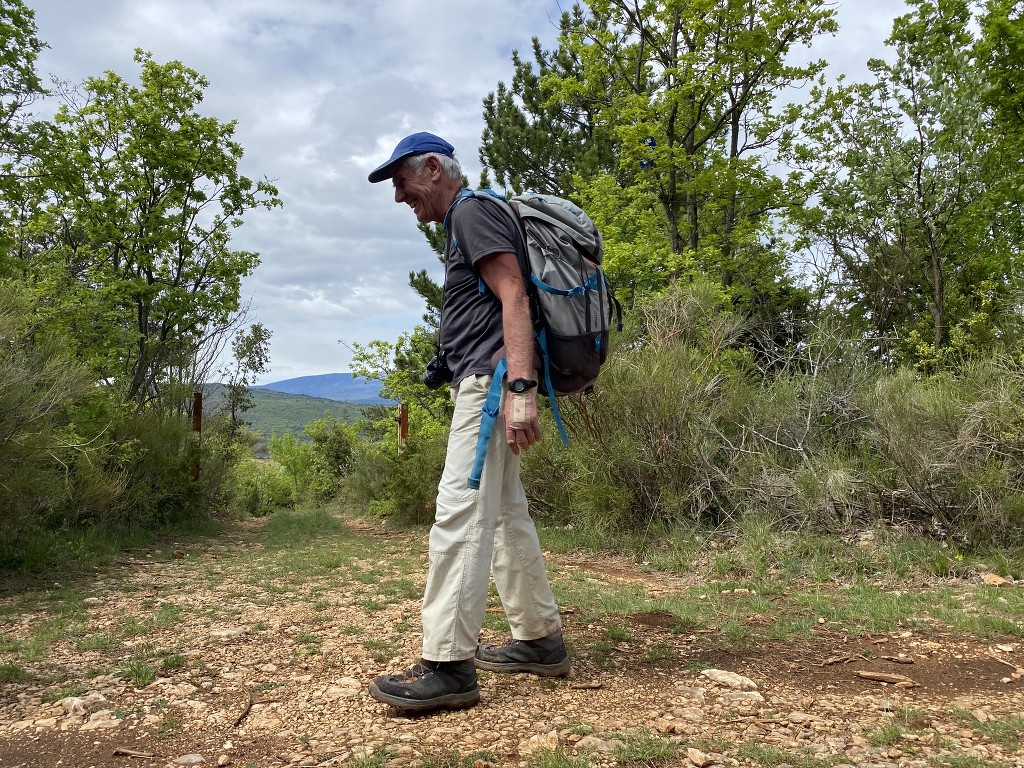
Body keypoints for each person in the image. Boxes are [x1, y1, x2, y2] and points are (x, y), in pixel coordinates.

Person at [365, 132, 570, 714]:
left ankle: (448, 664)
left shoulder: (470, 212)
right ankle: (540, 640)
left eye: (402, 183)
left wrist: (522, 390)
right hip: (486, 378)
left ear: (433, 168)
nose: (400, 198)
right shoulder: (469, 217)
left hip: (491, 386)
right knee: (505, 516)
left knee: (459, 512)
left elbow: (514, 296)